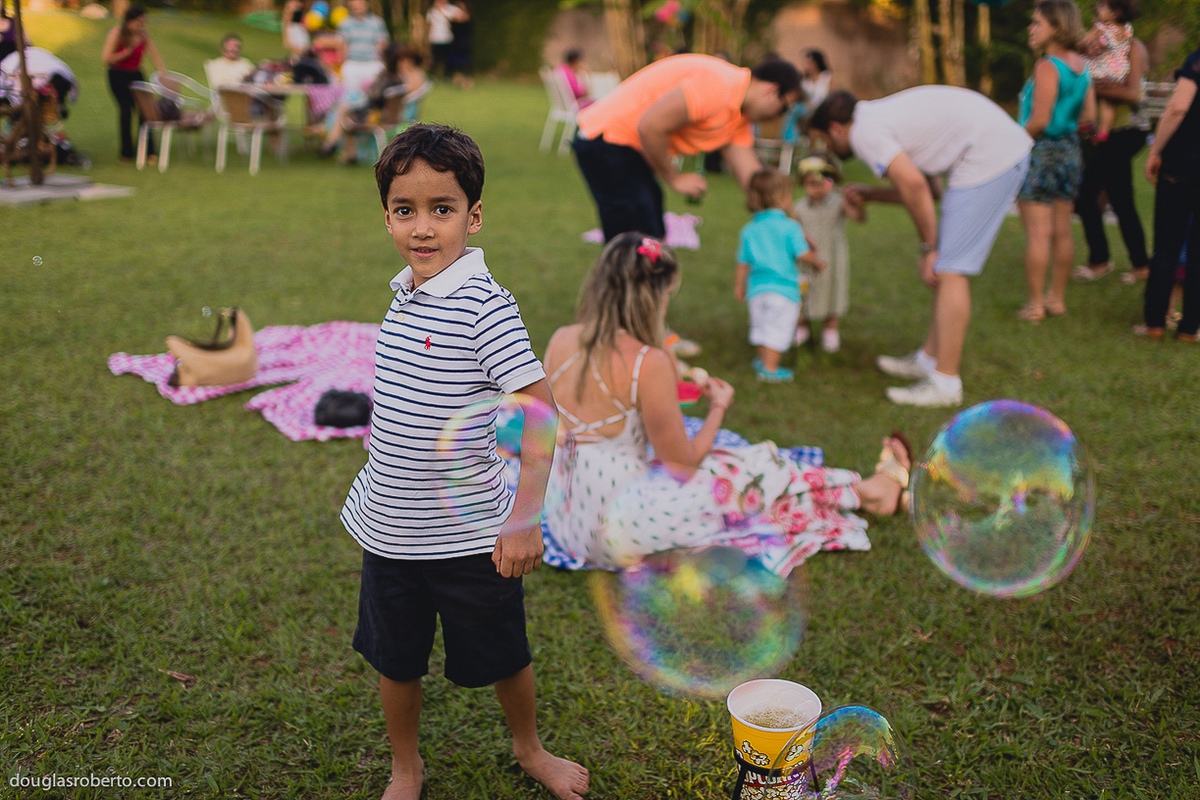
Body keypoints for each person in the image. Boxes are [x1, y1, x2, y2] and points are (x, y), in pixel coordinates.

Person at [340, 124, 590, 800]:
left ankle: (530, 748)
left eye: (441, 210)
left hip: (471, 537)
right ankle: (405, 765)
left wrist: (524, 519)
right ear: (387, 215)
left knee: (505, 655)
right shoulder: (403, 294)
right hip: (392, 533)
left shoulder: (486, 308)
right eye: (405, 210)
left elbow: (540, 413)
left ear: (473, 217)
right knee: (397, 662)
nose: (423, 228)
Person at [542, 232, 912, 571]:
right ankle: (870, 493)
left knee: (732, 464)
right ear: (652, 297)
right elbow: (682, 466)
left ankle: (864, 491)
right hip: (627, 528)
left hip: (571, 521)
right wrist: (718, 406)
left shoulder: (562, 339)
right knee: (754, 466)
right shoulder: (646, 362)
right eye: (667, 296)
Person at [808, 88, 1031, 407]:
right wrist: (872, 194)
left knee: (951, 270)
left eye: (824, 140)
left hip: (989, 157)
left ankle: (945, 382)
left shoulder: (864, 133)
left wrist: (929, 248)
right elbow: (927, 189)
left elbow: (915, 187)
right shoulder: (875, 117)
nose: (827, 148)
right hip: (997, 148)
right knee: (947, 267)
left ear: (835, 128)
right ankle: (928, 359)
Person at [572, 55, 803, 242]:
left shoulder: (739, 118)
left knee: (651, 239)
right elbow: (650, 127)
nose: (778, 118)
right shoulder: (721, 84)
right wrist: (675, 178)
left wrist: (793, 226)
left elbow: (755, 181)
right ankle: (619, 298)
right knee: (637, 244)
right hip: (604, 140)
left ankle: (633, 297)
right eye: (785, 109)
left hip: (626, 150)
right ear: (771, 91)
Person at [1016, 0, 1095, 322]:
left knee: (1037, 234)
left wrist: (1010, 139)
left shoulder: (1048, 66)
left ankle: (1035, 305)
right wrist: (1067, 126)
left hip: (1042, 152)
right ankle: (1056, 300)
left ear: (1057, 27)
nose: (1031, 29)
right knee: (1062, 230)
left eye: (1037, 23)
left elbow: (1038, 120)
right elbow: (1089, 116)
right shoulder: (1082, 65)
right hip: (1070, 152)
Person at [1071, 34, 1151, 283]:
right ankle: (1139, 264)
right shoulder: (1099, 43)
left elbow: (1132, 92)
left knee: (1086, 195)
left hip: (1128, 131)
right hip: (1108, 133)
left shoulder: (1133, 46)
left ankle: (1101, 260)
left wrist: (1092, 86)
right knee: (1119, 197)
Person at [734, 169, 826, 382]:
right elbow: (802, 254)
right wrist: (817, 261)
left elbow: (743, 262)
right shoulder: (790, 227)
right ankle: (770, 370)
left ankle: (763, 361)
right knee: (778, 329)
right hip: (783, 289)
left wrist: (739, 286)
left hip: (757, 289)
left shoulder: (749, 229)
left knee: (761, 326)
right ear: (783, 198)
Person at [1139, 45, 1200, 342]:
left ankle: (1155, 323)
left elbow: (1178, 106)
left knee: (1166, 246)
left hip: (1182, 166)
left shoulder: (1197, 62)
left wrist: (1156, 149)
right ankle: (1189, 328)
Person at [793, 154, 866, 354]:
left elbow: (859, 217)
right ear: (802, 183)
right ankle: (802, 327)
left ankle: (830, 329)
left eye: (822, 181)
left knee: (833, 291)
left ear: (832, 181)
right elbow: (791, 230)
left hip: (832, 257)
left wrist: (856, 203)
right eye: (810, 183)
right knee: (803, 293)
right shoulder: (798, 207)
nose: (816, 187)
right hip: (806, 260)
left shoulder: (839, 202)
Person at [319, 43, 426, 164]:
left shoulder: (408, 76)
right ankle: (345, 152)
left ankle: (331, 144)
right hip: (390, 113)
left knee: (346, 112)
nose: (403, 63)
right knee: (346, 111)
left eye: (405, 60)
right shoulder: (398, 77)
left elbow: (408, 90)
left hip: (384, 116)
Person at [101, 5, 167, 164]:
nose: (142, 26)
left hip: (136, 74)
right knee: (126, 110)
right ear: (129, 22)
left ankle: (148, 151)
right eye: (139, 23)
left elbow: (154, 55)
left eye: (144, 23)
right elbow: (106, 58)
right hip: (118, 75)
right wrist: (125, 53)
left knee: (145, 111)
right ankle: (126, 152)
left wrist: (162, 72)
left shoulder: (144, 35)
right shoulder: (117, 33)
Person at [1082, 0, 1134, 142]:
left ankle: (1088, 122)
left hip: (1103, 69)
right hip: (1119, 72)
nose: (1098, 9)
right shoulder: (1128, 28)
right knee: (1108, 100)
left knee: (1085, 83)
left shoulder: (1102, 28)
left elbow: (1083, 43)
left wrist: (1091, 33)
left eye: (1102, 7)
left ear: (1113, 13)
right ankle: (1103, 132)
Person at [338, 0, 388, 105]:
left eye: (360, 5)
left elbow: (382, 43)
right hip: (353, 63)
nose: (358, 8)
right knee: (350, 95)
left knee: (373, 94)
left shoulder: (377, 22)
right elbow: (342, 45)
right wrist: (343, 63)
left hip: (372, 63)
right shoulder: (345, 23)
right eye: (354, 6)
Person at [426, 0, 465, 80]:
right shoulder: (431, 11)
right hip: (435, 38)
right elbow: (428, 24)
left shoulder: (451, 9)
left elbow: (462, 17)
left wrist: (444, 12)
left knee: (448, 58)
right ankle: (432, 75)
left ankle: (447, 76)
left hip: (447, 38)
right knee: (435, 58)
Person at [447, 0, 474, 89]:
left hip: (464, 44)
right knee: (456, 63)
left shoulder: (467, 18)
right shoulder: (453, 20)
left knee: (465, 63)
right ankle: (458, 79)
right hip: (456, 44)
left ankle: (467, 81)